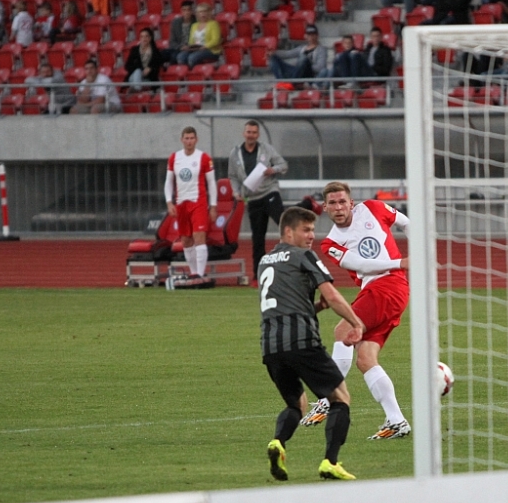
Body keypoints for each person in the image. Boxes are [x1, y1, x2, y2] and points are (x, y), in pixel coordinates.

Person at [260, 207, 366, 481]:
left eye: (312, 230)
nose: (311, 236)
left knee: (297, 405)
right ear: (288, 232)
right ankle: (330, 462)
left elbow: (284, 304)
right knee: (340, 397)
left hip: (271, 346)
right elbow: (333, 296)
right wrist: (355, 323)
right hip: (302, 341)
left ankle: (278, 442)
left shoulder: (265, 261)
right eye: (305, 230)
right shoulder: (303, 256)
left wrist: (314, 308)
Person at [303, 181, 413, 441]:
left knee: (343, 330)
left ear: (351, 203)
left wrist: (421, 249)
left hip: (389, 286)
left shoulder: (373, 208)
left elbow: (406, 223)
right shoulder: (331, 243)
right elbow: (361, 263)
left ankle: (328, 398)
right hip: (381, 289)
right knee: (365, 359)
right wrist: (401, 262)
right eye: (332, 203)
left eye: (342, 202)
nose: (339, 207)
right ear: (325, 208)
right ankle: (396, 420)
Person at [229, 120, 323, 283]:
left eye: (254, 132)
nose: (251, 135)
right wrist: (235, 191)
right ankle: (258, 275)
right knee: (257, 238)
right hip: (252, 197)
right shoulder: (235, 153)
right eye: (248, 132)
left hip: (269, 191)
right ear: (244, 133)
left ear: (258, 134)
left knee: (283, 219)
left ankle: (307, 204)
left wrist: (272, 169)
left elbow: (283, 165)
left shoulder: (266, 149)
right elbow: (232, 176)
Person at [165, 127, 217, 280]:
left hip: (198, 202)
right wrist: (169, 202)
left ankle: (200, 274)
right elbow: (168, 182)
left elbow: (211, 183)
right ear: (182, 140)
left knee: (199, 236)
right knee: (186, 240)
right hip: (181, 203)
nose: (189, 141)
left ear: (196, 139)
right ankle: (194, 272)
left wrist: (213, 206)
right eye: (186, 138)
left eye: (192, 138)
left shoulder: (204, 158)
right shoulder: (174, 158)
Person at [177, 3, 221, 68]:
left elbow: (216, 40)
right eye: (200, 12)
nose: (203, 14)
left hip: (210, 50)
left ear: (209, 13)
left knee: (192, 58)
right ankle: (187, 72)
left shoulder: (213, 24)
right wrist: (189, 47)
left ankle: (196, 72)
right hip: (196, 48)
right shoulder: (194, 25)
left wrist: (205, 46)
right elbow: (191, 41)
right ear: (197, 14)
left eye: (205, 11)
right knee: (181, 56)